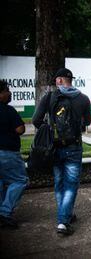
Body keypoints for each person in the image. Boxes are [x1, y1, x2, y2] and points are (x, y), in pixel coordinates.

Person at [32, 68, 91, 236]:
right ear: (70, 79)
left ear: (59, 80)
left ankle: (65, 215)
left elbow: (36, 120)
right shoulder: (83, 98)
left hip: (54, 148)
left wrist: (49, 132)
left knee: (59, 183)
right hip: (74, 147)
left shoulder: (50, 97)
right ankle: (63, 221)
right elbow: (86, 122)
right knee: (71, 185)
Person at [0, 81, 28, 229]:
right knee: (20, 180)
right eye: (6, 90)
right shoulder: (8, 110)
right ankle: (4, 213)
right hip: (7, 153)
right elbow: (20, 130)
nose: (9, 93)